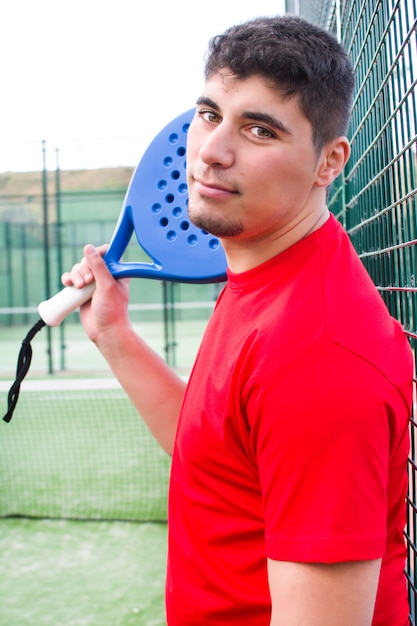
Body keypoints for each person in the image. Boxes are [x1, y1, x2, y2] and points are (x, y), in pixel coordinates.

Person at [62, 15, 413, 626]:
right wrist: (115, 338)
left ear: (328, 162)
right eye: (208, 113)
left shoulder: (318, 355)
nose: (211, 151)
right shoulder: (263, 273)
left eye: (259, 130)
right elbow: (222, 461)